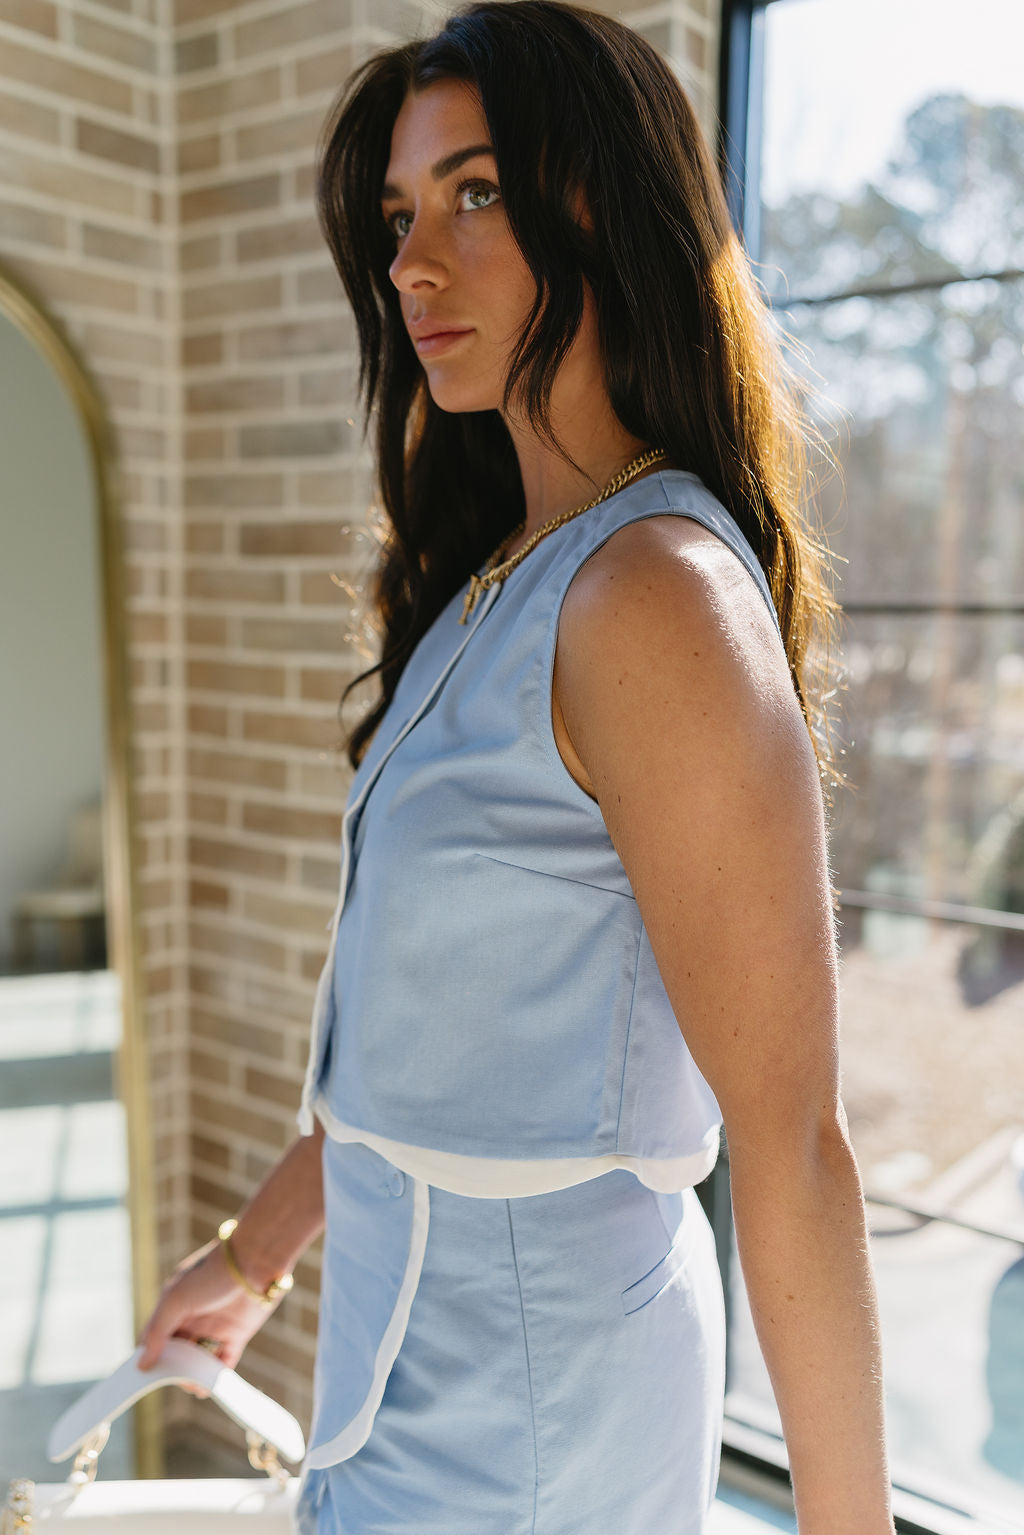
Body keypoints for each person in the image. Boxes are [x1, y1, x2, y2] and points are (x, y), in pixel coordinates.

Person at [138, 3, 898, 1532]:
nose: (416, 260)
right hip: (401, 1378)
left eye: (476, 193)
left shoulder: (656, 601)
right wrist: (253, 1255)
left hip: (546, 1422)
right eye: (402, 214)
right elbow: (425, 1052)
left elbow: (794, 1143)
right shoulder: (495, 581)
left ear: (605, 202)